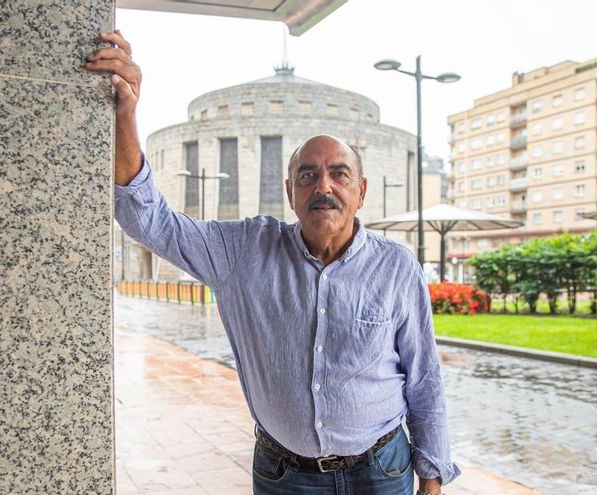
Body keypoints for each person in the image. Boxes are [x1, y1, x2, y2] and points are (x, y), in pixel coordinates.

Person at [85, 31, 460, 495]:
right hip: (287, 477)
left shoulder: (397, 267)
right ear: (290, 192)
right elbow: (149, 222)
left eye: (339, 174)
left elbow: (424, 379)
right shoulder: (244, 251)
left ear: (361, 192)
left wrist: (433, 477)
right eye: (307, 175)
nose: (323, 186)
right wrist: (126, 114)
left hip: (381, 471)